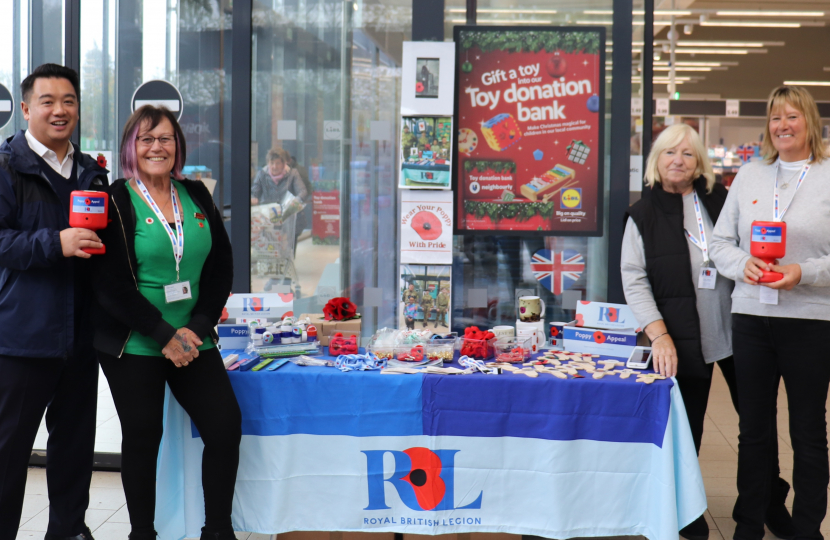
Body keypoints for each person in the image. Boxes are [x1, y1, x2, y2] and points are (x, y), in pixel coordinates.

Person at [622, 123, 792, 540]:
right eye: (668, 153)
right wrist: (658, 335)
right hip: (680, 341)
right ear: (655, 161)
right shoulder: (642, 214)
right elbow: (634, 279)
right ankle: (686, 511)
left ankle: (765, 502)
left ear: (700, 162)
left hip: (741, 332)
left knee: (758, 426)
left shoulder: (722, 200)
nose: (677, 161)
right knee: (686, 430)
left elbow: (752, 246)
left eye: (687, 153)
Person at [91, 105, 241, 540]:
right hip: (135, 341)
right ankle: (142, 532)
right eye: (146, 139)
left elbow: (220, 268)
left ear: (178, 147)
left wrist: (194, 327)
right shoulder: (117, 200)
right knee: (143, 435)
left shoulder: (196, 193)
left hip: (193, 337)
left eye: (166, 139)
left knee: (224, 426)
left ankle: (218, 529)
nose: (157, 146)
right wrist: (164, 335)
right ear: (130, 148)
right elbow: (109, 284)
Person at [710, 85, 830, 540]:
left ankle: (805, 528)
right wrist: (745, 265)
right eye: (776, 117)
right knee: (753, 429)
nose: (783, 125)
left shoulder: (827, 175)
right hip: (752, 318)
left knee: (808, 430)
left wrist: (803, 271)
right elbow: (720, 244)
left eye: (793, 117)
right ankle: (749, 523)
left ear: (811, 123)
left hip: (811, 320)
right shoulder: (749, 175)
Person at [0, 63, 108, 540]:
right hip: (23, 338)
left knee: (73, 454)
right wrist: (54, 242)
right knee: (8, 455)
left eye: (68, 101)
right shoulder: (6, 167)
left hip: (82, 340)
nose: (59, 110)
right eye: (47, 101)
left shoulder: (91, 171)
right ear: (26, 109)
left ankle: (69, 532)